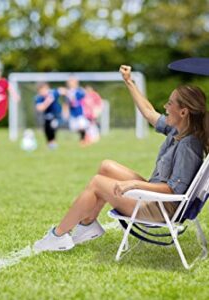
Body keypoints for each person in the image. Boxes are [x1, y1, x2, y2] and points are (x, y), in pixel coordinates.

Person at [33, 65, 209, 252]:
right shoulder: (178, 129)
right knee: (106, 166)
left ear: (183, 112)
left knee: (97, 183)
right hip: (156, 199)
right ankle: (87, 226)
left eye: (170, 103)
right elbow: (149, 112)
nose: (165, 107)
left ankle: (58, 235)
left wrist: (134, 185)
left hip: (161, 209)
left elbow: (173, 191)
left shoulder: (189, 145)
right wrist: (129, 81)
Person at [35, 82, 64, 149]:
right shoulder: (38, 98)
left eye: (45, 89)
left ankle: (53, 142)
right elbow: (40, 108)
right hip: (47, 115)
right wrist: (47, 102)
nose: (44, 92)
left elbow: (62, 90)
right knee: (46, 129)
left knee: (53, 126)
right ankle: (49, 143)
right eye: (41, 90)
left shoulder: (53, 93)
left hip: (56, 114)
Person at [64, 76, 88, 146]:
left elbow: (85, 96)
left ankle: (83, 139)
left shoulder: (79, 91)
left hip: (80, 113)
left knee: (82, 126)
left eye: (73, 82)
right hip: (73, 114)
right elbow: (67, 103)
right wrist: (66, 111)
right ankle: (84, 137)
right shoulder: (67, 92)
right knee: (74, 128)